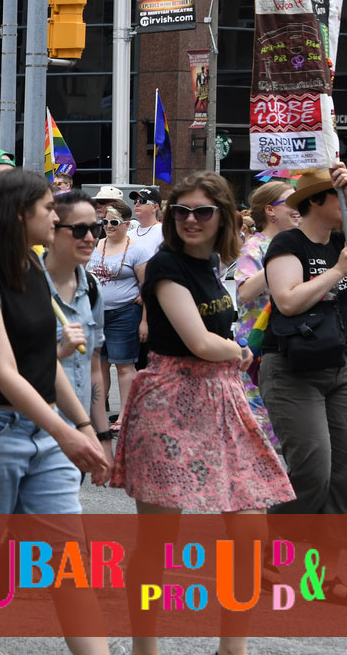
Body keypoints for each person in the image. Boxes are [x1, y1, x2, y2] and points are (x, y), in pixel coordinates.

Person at [110, 172, 294, 655]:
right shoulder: (165, 264)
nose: (191, 220)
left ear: (223, 217)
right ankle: (144, 647)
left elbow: (216, 337)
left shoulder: (212, 263)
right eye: (182, 211)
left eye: (203, 211)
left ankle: (232, 648)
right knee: (159, 538)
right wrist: (237, 351)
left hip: (222, 398)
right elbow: (199, 342)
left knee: (250, 530)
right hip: (169, 399)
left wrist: (231, 351)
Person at [0, 170, 109, 655]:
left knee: (70, 566)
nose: (56, 217)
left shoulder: (32, 267)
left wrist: (83, 426)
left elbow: (43, 363)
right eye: (48, 208)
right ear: (17, 214)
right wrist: (65, 432)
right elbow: (3, 371)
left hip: (44, 434)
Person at [258, 171, 347, 552]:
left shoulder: (341, 241)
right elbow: (288, 300)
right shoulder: (288, 243)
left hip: (340, 367)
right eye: (341, 196)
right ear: (315, 200)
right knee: (314, 470)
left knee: (342, 477)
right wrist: (338, 271)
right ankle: (269, 542)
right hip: (292, 370)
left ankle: (329, 567)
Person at [42, 190, 113, 471]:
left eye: (96, 228)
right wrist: (59, 351)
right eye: (79, 229)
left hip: (79, 435)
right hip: (33, 433)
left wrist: (102, 436)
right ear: (52, 229)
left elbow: (94, 367)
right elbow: (10, 365)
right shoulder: (25, 285)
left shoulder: (92, 288)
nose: (90, 238)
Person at [233, 180, 299, 450]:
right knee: (261, 420)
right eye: (291, 202)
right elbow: (245, 292)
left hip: (290, 339)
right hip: (257, 345)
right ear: (270, 211)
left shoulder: (298, 242)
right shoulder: (255, 247)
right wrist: (274, 262)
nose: (298, 208)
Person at [87, 198, 150, 425]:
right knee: (99, 365)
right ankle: (97, 414)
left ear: (126, 224)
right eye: (105, 222)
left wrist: (145, 322)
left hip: (125, 314)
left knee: (124, 366)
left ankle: (125, 415)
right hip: (96, 314)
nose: (108, 226)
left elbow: (148, 288)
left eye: (114, 222)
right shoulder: (96, 244)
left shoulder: (137, 250)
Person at [127, 187, 164, 257]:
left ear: (155, 207)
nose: (137, 204)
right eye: (135, 201)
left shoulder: (164, 232)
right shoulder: (128, 234)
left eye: (142, 201)